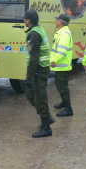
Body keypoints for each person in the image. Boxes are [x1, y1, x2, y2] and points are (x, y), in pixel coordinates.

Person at [24, 9, 54, 138]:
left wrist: (29, 76)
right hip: (41, 69)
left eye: (24, 19)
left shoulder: (34, 34)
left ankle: (46, 127)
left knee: (40, 97)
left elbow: (34, 57)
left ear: (28, 20)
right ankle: (47, 117)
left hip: (38, 70)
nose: (23, 20)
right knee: (33, 95)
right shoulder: (37, 30)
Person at [50, 14, 74, 116]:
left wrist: (54, 60)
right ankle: (64, 102)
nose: (56, 22)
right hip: (60, 65)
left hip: (62, 65)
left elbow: (62, 51)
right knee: (59, 85)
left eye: (57, 20)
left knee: (63, 87)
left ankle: (69, 109)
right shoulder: (61, 32)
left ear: (61, 22)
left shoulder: (64, 34)